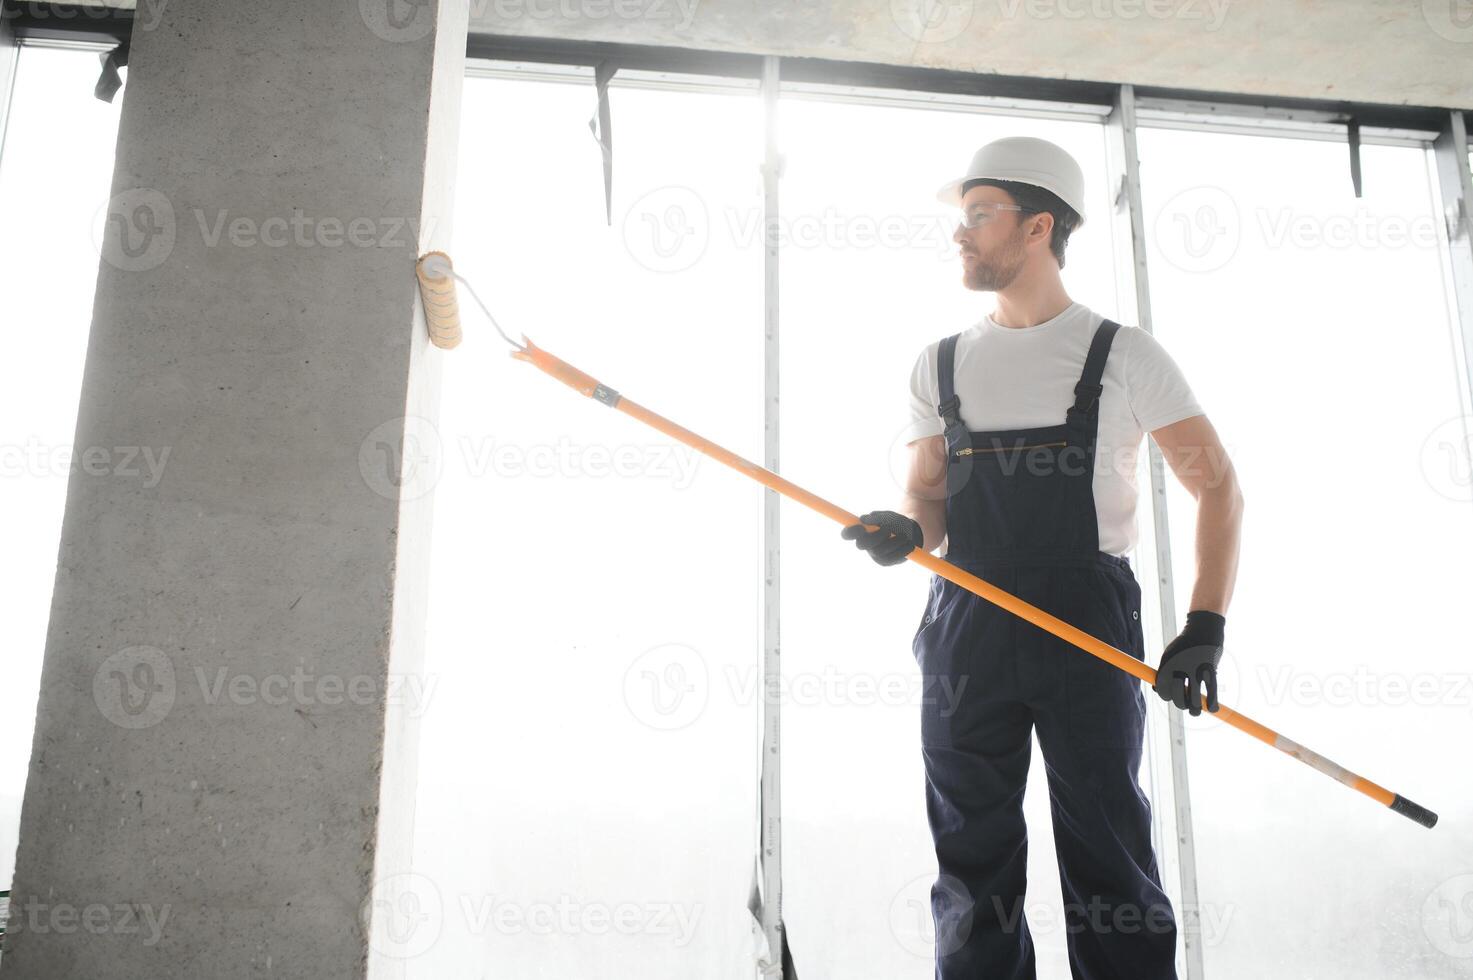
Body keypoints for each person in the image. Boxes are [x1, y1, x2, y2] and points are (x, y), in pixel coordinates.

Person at [840, 137, 1244, 979]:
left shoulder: (1121, 355)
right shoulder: (939, 363)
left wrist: (1203, 624)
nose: (961, 233)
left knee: (1107, 848)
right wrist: (905, 533)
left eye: (979, 215)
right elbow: (929, 504)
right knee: (971, 855)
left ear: (1038, 227)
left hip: (1084, 618)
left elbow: (1219, 490)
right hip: (965, 624)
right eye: (961, 217)